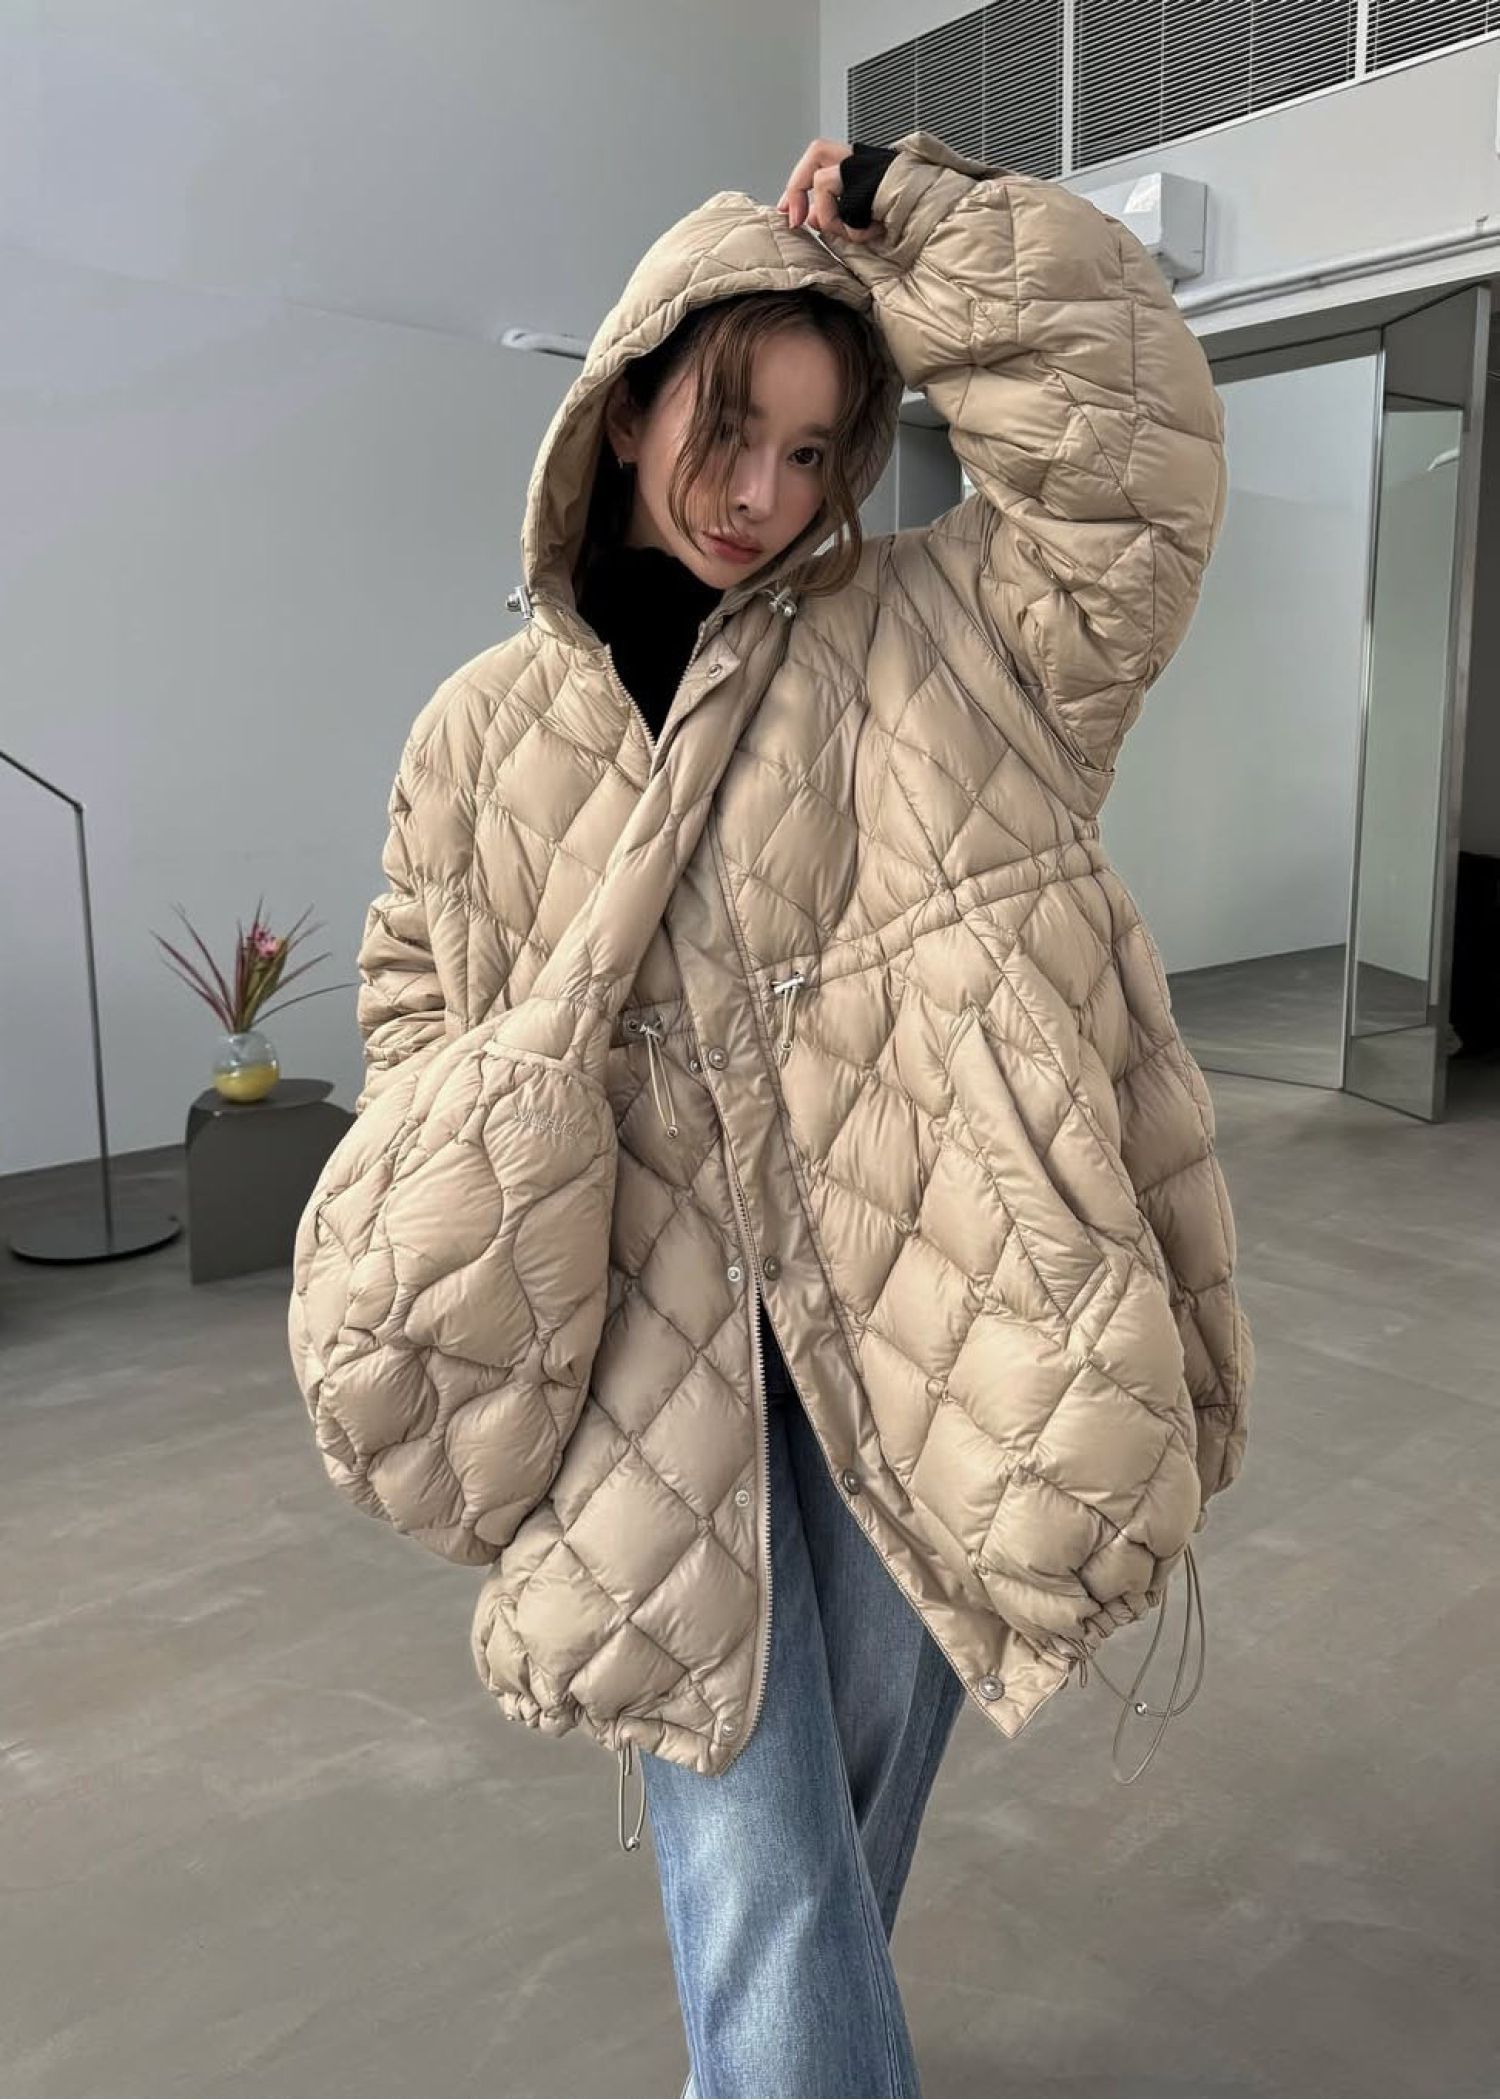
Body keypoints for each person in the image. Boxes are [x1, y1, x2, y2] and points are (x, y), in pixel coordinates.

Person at [288, 131, 1253, 2100]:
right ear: (628, 400)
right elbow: (410, 1001)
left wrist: (930, 217)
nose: (762, 495)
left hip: (922, 1312)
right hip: (642, 1354)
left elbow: (1128, 463)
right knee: (760, 1854)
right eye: (729, 432)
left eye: (814, 452)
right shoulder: (478, 738)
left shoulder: (948, 640)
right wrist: (490, 1129)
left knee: (841, 1814)